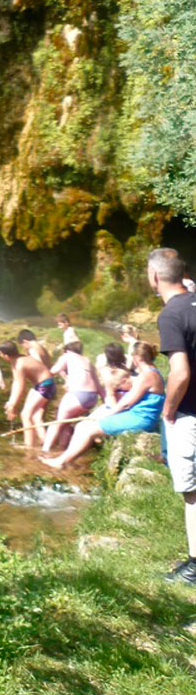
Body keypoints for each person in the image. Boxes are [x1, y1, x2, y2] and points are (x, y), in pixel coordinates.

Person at [148, 247, 196, 586]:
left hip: (190, 413)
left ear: (154, 277)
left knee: (192, 492)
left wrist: (168, 409)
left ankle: (194, 567)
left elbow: (179, 373)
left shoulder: (170, 315)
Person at [41, 340, 164, 470]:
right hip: (140, 416)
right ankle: (66, 460)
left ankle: (62, 462)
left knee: (87, 429)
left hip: (140, 418)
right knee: (83, 426)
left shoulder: (147, 376)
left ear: (137, 357)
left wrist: (107, 415)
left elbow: (126, 404)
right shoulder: (153, 373)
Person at [42, 339, 102, 453]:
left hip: (77, 394)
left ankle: (45, 451)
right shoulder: (87, 360)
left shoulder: (67, 355)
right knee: (67, 423)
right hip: (92, 398)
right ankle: (62, 449)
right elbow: (97, 384)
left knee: (57, 423)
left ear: (66, 350)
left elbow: (53, 370)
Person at [0, 339, 57, 446]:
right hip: (43, 384)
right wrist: (11, 402)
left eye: (0, 354)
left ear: (5, 356)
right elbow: (16, 383)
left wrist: (14, 405)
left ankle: (29, 446)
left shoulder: (18, 364)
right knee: (35, 416)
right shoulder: (19, 359)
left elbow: (20, 386)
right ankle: (45, 443)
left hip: (45, 385)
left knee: (25, 415)